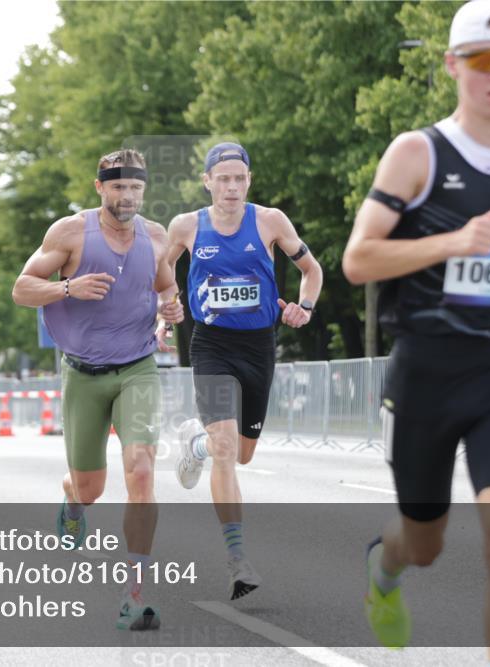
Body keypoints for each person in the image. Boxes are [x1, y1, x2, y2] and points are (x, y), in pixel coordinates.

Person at [341, 2, 490, 664]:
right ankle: (384, 572)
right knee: (426, 541)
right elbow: (358, 259)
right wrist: (451, 242)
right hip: (424, 375)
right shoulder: (417, 153)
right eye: (482, 61)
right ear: (452, 65)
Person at [12, 148, 183, 630]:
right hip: (83, 374)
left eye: (135, 188)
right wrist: (68, 289)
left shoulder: (155, 236)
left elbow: (167, 286)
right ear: (100, 188)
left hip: (138, 368)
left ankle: (134, 596)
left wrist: (172, 311)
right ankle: (71, 497)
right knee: (90, 489)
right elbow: (22, 288)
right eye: (118, 187)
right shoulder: (69, 233)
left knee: (142, 470)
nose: (127, 196)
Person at [166, 141, 323, 600]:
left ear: (248, 181)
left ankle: (193, 444)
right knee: (225, 446)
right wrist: (164, 310)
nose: (231, 187)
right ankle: (238, 559)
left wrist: (305, 307)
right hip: (211, 345)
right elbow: (162, 272)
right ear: (208, 181)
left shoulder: (271, 221)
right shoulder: (186, 226)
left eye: (239, 178)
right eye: (223, 179)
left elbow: (312, 270)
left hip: (258, 347)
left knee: (243, 454)